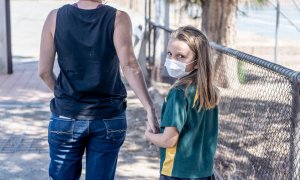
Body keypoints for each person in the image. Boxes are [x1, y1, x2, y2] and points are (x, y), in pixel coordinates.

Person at [39, 0, 159, 179]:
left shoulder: (54, 18)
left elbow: (44, 72)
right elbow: (129, 66)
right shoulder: (118, 18)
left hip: (66, 115)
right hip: (108, 117)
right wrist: (149, 108)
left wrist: (65, 96)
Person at [145, 26, 219, 180]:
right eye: (170, 54)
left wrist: (149, 135)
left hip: (177, 173)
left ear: (198, 62)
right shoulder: (209, 92)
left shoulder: (179, 93)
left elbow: (168, 140)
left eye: (180, 56)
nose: (172, 60)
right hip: (204, 173)